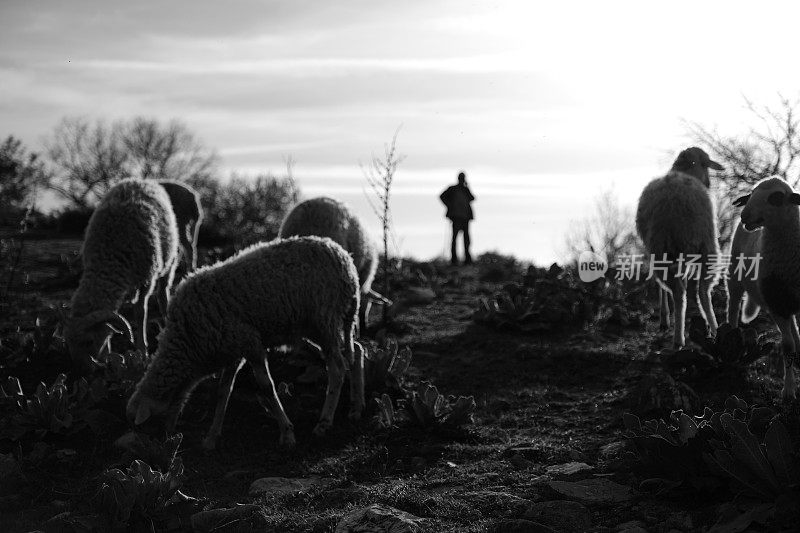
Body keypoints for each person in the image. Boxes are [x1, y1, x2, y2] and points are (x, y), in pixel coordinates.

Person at [439, 171, 475, 265]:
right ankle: (454, 260)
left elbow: (472, 198)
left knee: (466, 239)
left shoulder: (465, 189)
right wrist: (449, 206)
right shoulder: (453, 189)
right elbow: (442, 196)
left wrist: (467, 187)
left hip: (465, 217)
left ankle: (467, 260)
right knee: (455, 238)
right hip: (456, 217)